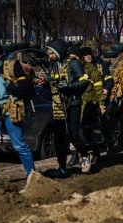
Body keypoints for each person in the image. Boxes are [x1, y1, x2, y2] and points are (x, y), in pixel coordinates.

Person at [39, 39, 90, 177]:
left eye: (51, 53)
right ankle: (62, 167)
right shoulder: (53, 65)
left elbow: (85, 82)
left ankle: (85, 155)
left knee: (74, 134)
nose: (49, 55)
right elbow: (53, 82)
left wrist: (69, 87)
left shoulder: (74, 64)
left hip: (73, 103)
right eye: (49, 53)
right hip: (58, 104)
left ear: (58, 52)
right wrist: (45, 82)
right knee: (58, 138)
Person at [0, 37, 35, 177]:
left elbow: (24, 83)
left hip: (10, 110)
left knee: (19, 145)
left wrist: (10, 89)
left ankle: (32, 177)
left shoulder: (11, 64)